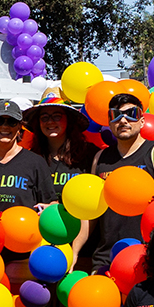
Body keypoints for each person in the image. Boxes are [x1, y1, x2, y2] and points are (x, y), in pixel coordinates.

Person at [77, 92, 154, 272]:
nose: (123, 120)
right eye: (116, 115)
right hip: (105, 258)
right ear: (109, 123)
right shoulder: (101, 158)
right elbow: (90, 213)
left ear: (142, 120)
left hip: (147, 258)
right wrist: (74, 252)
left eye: (131, 113)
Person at [24, 91, 94, 269]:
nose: (50, 122)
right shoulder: (31, 158)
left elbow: (91, 208)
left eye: (57, 116)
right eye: (44, 117)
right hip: (42, 250)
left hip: (84, 250)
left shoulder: (90, 155)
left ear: (68, 121)